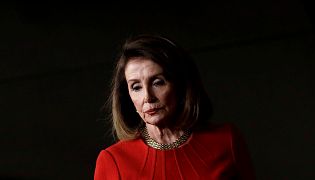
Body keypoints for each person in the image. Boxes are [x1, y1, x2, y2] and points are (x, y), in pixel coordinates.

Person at [94, 35, 255, 179]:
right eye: (136, 87)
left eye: (158, 82)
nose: (147, 97)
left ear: (181, 85)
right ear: (127, 95)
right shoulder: (113, 160)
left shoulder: (226, 141)